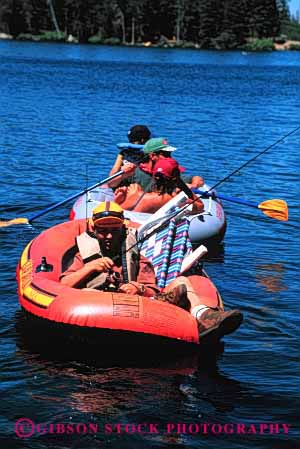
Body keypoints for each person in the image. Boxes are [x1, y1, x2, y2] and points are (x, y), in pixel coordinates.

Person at [60, 201, 243, 338]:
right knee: (84, 291)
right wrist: (89, 268)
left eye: (114, 231)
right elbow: (63, 285)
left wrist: (138, 288)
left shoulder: (136, 257)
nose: (108, 236)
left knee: (182, 282)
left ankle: (204, 317)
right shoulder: (81, 255)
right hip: (95, 310)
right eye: (103, 231)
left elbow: (154, 289)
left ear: (123, 230)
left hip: (136, 311)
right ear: (94, 230)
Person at [114, 158, 204, 214]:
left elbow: (117, 212)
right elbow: (200, 206)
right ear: (175, 177)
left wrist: (119, 201)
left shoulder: (137, 195)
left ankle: (118, 202)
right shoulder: (177, 197)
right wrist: (183, 188)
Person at [108, 125, 151, 189]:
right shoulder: (150, 155)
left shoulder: (123, 153)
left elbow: (112, 175)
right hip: (137, 189)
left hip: (120, 187)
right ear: (143, 140)